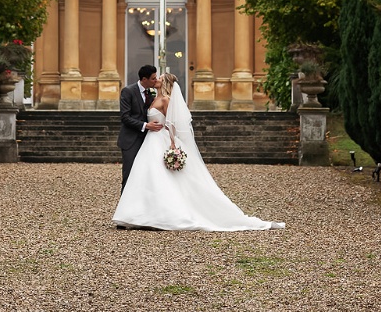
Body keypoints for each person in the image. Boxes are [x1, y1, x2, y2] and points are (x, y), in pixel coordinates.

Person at [112, 72, 286, 231]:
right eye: (155, 77)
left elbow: (171, 123)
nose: (156, 79)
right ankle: (141, 214)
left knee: (160, 177)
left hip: (161, 140)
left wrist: (173, 145)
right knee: (145, 176)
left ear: (164, 83)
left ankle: (162, 215)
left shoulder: (165, 100)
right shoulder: (152, 97)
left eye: (159, 78)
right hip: (150, 141)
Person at [118, 64, 164, 190]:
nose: (156, 80)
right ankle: (125, 206)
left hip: (148, 141)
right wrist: (145, 125)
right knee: (129, 174)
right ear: (144, 79)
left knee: (145, 175)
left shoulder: (151, 93)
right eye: (153, 78)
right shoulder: (128, 91)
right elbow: (125, 117)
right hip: (130, 140)